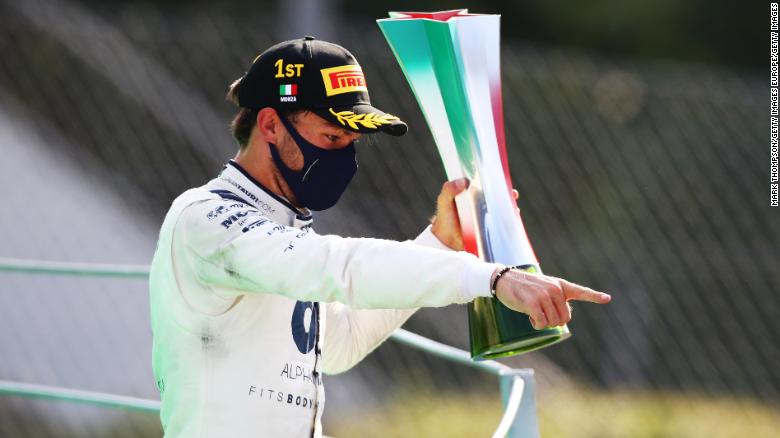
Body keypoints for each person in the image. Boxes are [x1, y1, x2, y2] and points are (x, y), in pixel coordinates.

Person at [148, 36, 611, 438]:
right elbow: (339, 267)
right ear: (270, 125)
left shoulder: (286, 229)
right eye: (332, 138)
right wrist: (491, 278)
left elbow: (339, 344)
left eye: (353, 142)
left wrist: (439, 242)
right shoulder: (206, 220)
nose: (344, 157)